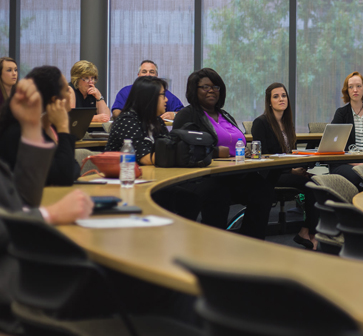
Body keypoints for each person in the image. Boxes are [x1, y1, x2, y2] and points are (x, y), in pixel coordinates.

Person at [0, 78, 94, 333]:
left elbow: (24, 197)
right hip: (18, 289)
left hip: (27, 274)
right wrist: (50, 213)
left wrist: (32, 127)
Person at [171, 68, 272, 240]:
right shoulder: (188, 115)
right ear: (194, 90)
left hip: (235, 174)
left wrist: (245, 150)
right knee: (218, 193)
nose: (211, 90)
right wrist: (216, 152)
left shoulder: (225, 115)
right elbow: (181, 148)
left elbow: (236, 141)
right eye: (205, 87)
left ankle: (251, 241)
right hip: (207, 177)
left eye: (215, 87)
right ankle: (212, 246)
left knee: (263, 190)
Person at [252, 82, 319, 250]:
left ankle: (307, 230)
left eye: (283, 95)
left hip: (288, 171)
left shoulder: (287, 123)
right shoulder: (261, 123)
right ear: (269, 102)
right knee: (312, 185)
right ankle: (310, 233)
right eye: (276, 96)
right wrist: (292, 170)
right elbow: (265, 158)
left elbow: (289, 153)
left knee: (319, 182)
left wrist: (302, 164)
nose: (281, 99)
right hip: (271, 175)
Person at [0, 66, 80, 186]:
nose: (71, 93)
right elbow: (64, 176)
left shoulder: (46, 129)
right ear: (55, 100)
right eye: (67, 90)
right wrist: (63, 127)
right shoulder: (20, 132)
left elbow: (72, 167)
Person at [330, 71, 363, 189]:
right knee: (359, 177)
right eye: (351, 87)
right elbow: (335, 147)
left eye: (359, 86)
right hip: (345, 163)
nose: (355, 90)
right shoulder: (341, 114)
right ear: (347, 90)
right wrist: (359, 165)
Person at [105, 76, 169, 165]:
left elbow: (168, 148)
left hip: (148, 174)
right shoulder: (127, 121)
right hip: (122, 175)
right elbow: (145, 158)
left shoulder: (157, 120)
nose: (166, 99)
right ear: (150, 97)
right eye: (163, 95)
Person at [111, 60, 184, 121]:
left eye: (151, 72)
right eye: (144, 71)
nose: (148, 75)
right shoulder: (126, 92)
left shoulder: (164, 93)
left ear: (156, 75)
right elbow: (116, 112)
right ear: (138, 75)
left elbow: (183, 112)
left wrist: (174, 115)